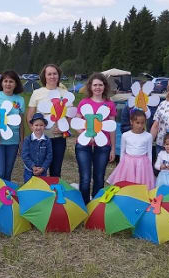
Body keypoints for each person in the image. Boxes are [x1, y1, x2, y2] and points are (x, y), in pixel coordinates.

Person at [74, 73, 116, 204]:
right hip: (84, 145)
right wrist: (86, 135)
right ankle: (84, 205)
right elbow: (76, 122)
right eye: (95, 85)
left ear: (105, 86)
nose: (98, 87)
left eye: (100, 85)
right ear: (90, 87)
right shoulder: (84, 103)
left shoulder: (110, 104)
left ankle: (95, 207)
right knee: (85, 178)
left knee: (99, 177)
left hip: (103, 146)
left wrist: (113, 149)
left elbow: (112, 128)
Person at [26, 64, 71, 177]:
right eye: (49, 74)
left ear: (58, 75)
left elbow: (70, 115)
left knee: (55, 172)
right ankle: (41, 194)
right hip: (41, 140)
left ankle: (54, 193)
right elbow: (30, 116)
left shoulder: (65, 93)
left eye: (54, 73)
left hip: (58, 139)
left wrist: (64, 129)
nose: (52, 76)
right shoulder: (37, 93)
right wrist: (36, 133)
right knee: (40, 171)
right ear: (44, 76)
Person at [0, 70, 25, 181]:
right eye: (5, 81)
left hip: (13, 141)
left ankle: (5, 197)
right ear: (1, 83)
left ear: (16, 84)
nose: (8, 84)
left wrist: (21, 142)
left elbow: (21, 123)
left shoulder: (20, 100)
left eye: (11, 81)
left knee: (7, 174)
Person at [107, 109, 154, 189]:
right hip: (128, 162)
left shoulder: (148, 136)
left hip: (142, 163)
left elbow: (149, 153)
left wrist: (149, 167)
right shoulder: (125, 135)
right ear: (131, 122)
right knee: (127, 182)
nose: (140, 125)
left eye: (142, 123)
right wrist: (121, 164)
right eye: (137, 123)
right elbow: (122, 151)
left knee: (140, 182)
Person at [22, 113, 52, 183]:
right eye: (36, 125)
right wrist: (33, 167)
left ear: (44, 126)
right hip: (29, 171)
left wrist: (43, 168)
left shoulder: (47, 140)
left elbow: (49, 156)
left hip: (42, 171)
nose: (38, 127)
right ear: (32, 126)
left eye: (41, 125)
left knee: (41, 189)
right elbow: (25, 155)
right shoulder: (27, 140)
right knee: (29, 188)